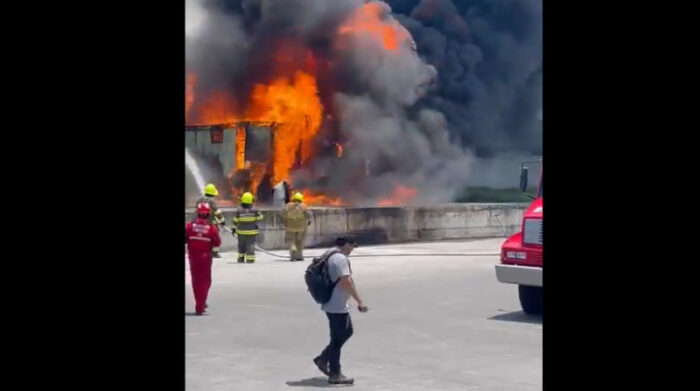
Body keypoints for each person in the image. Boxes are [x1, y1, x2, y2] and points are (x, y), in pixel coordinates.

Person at [313, 237, 367, 385]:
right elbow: (346, 281)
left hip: (333, 303)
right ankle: (335, 373)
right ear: (346, 245)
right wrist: (359, 301)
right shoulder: (340, 258)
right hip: (336, 305)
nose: (352, 250)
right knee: (337, 339)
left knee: (346, 332)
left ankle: (323, 359)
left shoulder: (331, 253)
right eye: (352, 246)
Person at [185, 202, 221, 315]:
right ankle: (200, 304)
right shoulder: (211, 228)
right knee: (206, 281)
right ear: (208, 214)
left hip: (193, 257)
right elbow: (217, 242)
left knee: (196, 281)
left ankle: (199, 303)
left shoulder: (189, 226)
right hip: (205, 258)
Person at [195, 183, 226, 258]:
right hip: (211, 223)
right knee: (215, 237)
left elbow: (196, 211)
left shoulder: (199, 200)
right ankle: (214, 253)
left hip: (200, 223)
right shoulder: (211, 201)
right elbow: (217, 212)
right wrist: (222, 221)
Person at [231, 192, 263, 263]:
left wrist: (233, 229)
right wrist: (254, 219)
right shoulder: (254, 209)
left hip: (241, 232)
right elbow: (260, 217)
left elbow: (235, 220)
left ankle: (241, 258)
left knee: (241, 245)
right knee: (250, 245)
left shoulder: (239, 210)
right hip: (252, 232)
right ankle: (250, 259)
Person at [282, 192, 312, 261]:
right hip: (301, 227)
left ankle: (293, 252)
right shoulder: (303, 206)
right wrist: (309, 221)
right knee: (300, 242)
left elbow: (284, 215)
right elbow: (309, 214)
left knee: (291, 240)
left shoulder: (288, 205)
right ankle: (299, 256)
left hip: (290, 227)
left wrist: (285, 223)